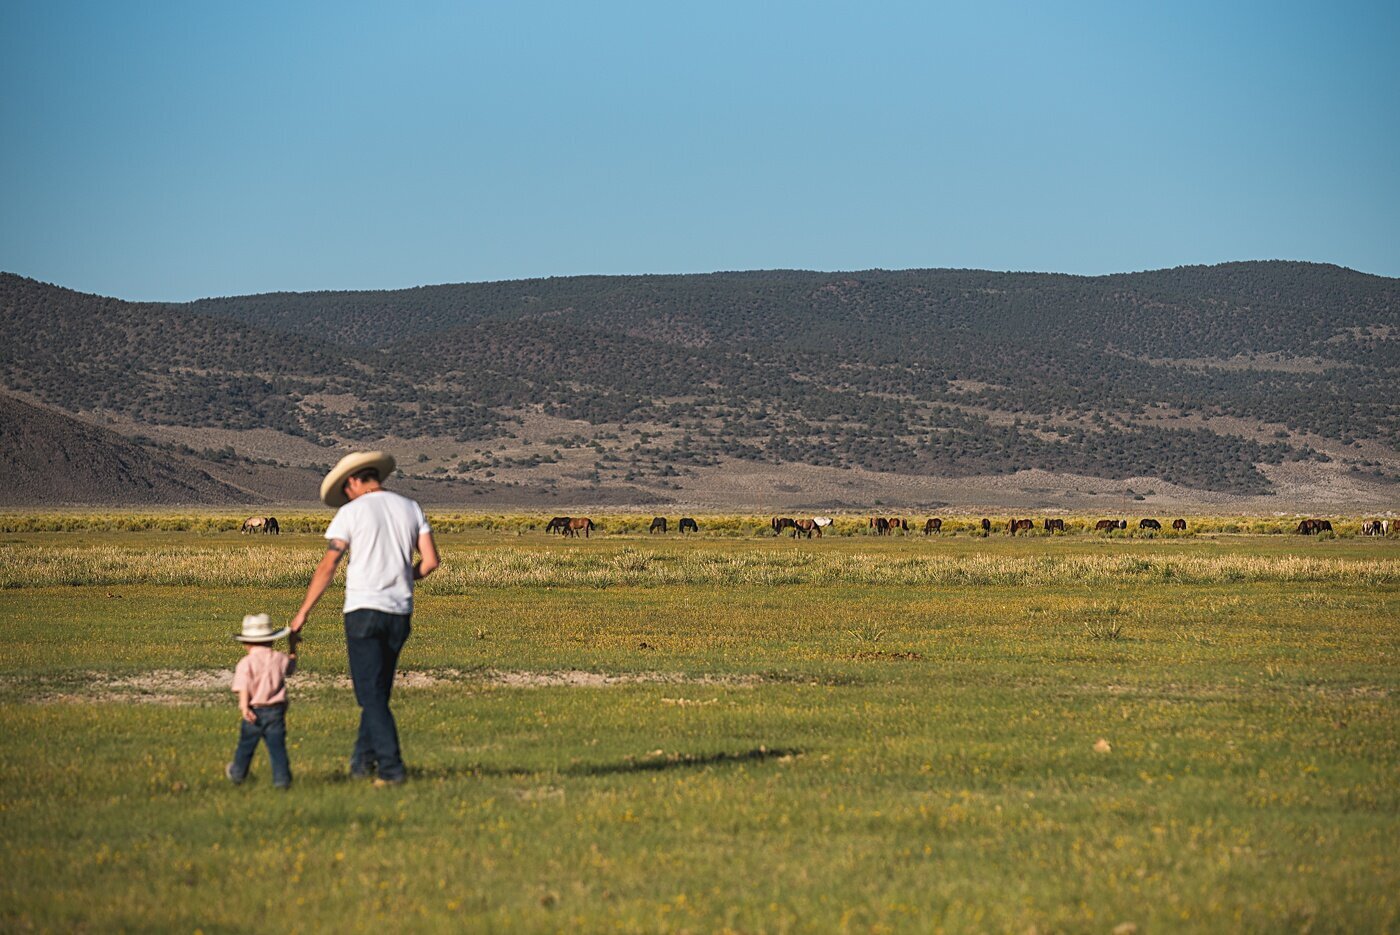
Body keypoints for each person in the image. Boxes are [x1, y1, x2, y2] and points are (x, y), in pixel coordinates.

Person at [289, 451, 440, 786]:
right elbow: (430, 562)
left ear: (355, 480)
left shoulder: (351, 513)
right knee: (378, 690)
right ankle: (361, 762)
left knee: (369, 694)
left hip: (362, 609)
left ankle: (391, 768)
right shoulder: (410, 507)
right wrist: (402, 574)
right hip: (400, 610)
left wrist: (303, 612)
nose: (347, 495)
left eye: (346, 489)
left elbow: (329, 565)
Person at [227, 613, 298, 789]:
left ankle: (237, 773)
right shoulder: (279, 658)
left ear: (246, 643)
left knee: (246, 746)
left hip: (254, 710)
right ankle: (282, 780)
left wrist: (244, 707)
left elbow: (243, 687)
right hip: (276, 711)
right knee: (277, 748)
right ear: (272, 640)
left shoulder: (246, 663)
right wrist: (293, 646)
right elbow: (291, 668)